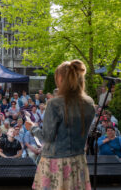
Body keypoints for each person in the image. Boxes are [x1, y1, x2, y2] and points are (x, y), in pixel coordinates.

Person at [25, 60, 95, 190]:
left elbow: (48, 137)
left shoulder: (55, 104)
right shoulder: (89, 103)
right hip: (77, 160)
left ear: (61, 79)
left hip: (56, 162)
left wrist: (32, 128)